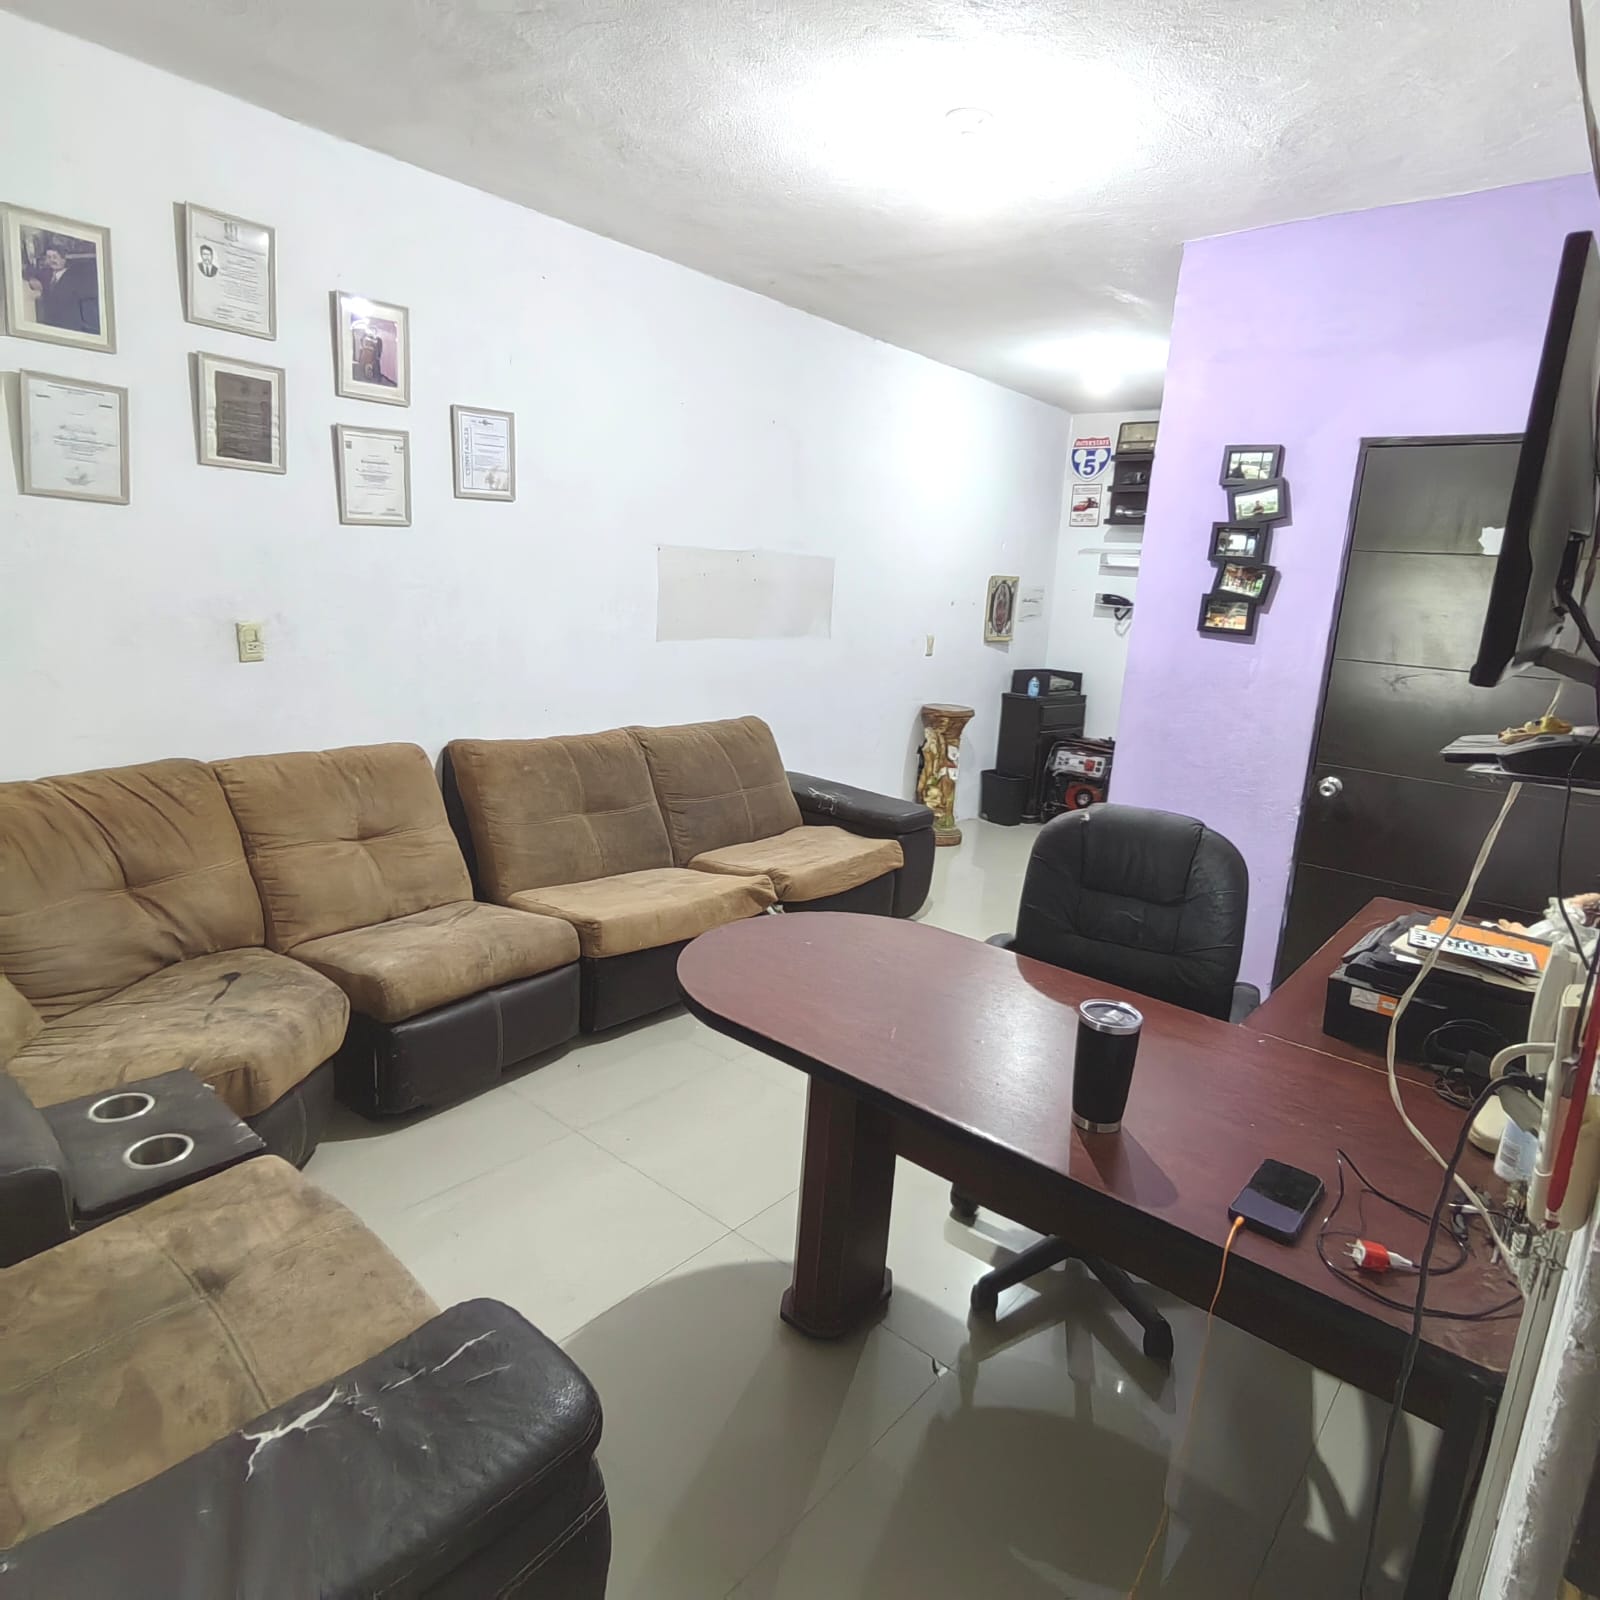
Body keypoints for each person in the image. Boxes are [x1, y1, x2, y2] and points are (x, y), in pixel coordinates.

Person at [31, 240, 99, 335]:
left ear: (63, 259)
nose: (52, 261)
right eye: (49, 257)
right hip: (49, 325)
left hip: (68, 327)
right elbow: (28, 272)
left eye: (55, 257)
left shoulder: (74, 277)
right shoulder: (46, 275)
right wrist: (32, 280)